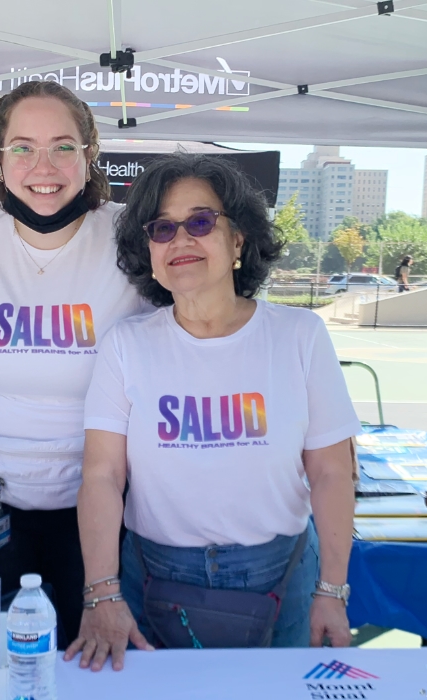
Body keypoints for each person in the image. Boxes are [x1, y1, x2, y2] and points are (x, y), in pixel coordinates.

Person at [65, 154, 361, 671]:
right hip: (153, 574)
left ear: (238, 240)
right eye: (162, 228)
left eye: (201, 222)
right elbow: (102, 474)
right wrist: (101, 593)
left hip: (281, 575)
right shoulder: (125, 345)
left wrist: (332, 590)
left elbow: (333, 472)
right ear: (149, 251)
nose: (180, 239)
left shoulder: (300, 336)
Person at [0, 80, 149, 648]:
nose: (43, 165)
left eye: (62, 145)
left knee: (97, 660)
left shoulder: (131, 237)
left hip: (108, 500)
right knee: (11, 661)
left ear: (90, 153)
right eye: (23, 147)